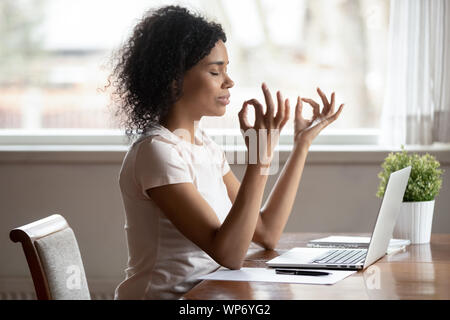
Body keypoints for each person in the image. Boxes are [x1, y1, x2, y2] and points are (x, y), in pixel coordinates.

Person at [108, 5, 344, 300]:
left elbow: (266, 232)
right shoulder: (157, 153)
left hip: (208, 297)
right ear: (173, 79)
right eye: (215, 71)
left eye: (227, 70)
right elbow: (229, 253)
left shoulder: (205, 147)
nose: (228, 81)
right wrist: (260, 159)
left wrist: (301, 144)